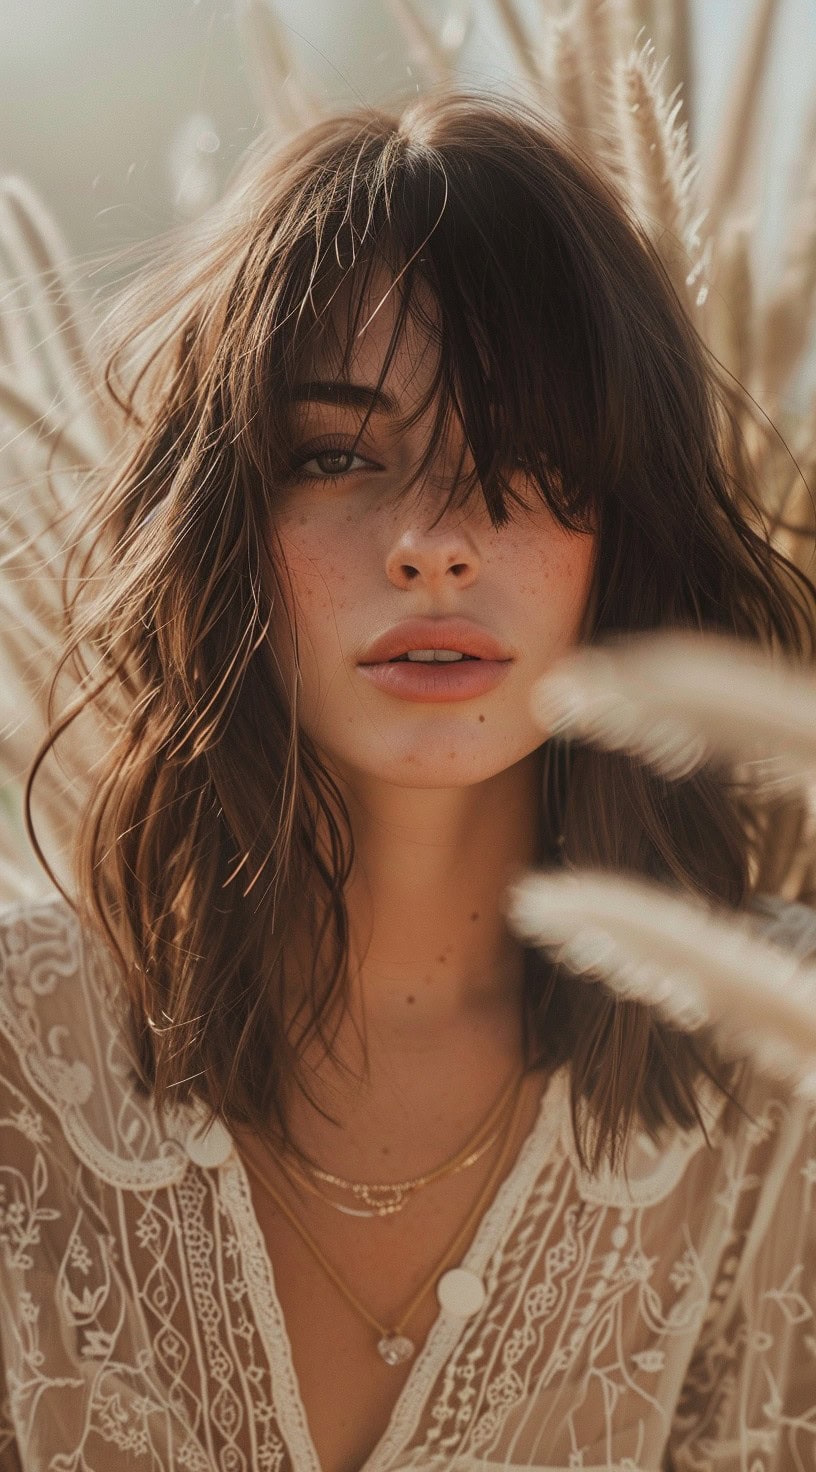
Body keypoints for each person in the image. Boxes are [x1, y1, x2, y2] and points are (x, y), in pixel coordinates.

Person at [1, 89, 815, 1472]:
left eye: (522, 461)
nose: (432, 542)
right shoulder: (24, 1060)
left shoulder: (778, 1071)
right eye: (338, 456)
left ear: (623, 531)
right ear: (231, 520)